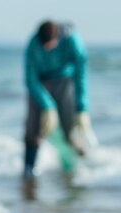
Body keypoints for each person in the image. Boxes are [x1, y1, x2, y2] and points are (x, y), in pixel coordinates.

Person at [23, 20, 91, 178]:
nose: (46, 49)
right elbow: (30, 80)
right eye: (43, 46)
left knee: (71, 130)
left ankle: (81, 168)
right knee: (32, 131)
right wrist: (47, 105)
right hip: (40, 84)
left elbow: (81, 73)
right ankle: (28, 172)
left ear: (58, 38)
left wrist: (82, 107)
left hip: (65, 81)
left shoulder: (71, 39)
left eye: (50, 46)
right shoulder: (33, 45)